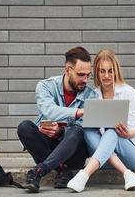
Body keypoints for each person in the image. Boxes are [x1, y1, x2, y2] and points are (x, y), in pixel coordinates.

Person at [67, 49, 135, 192]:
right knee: (88, 129)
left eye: (110, 71)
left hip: (130, 155)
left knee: (112, 128)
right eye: (102, 71)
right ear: (97, 72)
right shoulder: (93, 95)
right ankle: (127, 174)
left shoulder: (128, 92)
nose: (106, 76)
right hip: (104, 158)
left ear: (116, 71)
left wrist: (126, 133)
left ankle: (84, 175)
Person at [17, 46, 97, 193]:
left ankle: (39, 171)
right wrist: (79, 112)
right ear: (67, 70)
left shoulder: (91, 96)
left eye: (88, 75)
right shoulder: (45, 86)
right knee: (25, 127)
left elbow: (84, 128)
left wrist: (61, 131)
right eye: (81, 75)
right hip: (47, 148)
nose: (85, 80)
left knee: (77, 131)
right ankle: (62, 171)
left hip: (74, 152)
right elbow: (48, 110)